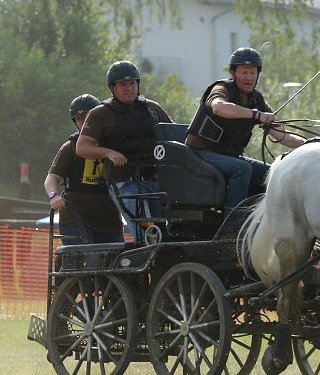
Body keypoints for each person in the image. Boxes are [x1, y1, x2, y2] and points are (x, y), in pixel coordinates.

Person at [185, 47, 305, 215]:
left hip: (230, 157)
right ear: (233, 74)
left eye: (253, 73)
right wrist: (257, 115)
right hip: (200, 152)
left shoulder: (257, 100)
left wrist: (310, 145)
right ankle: (232, 225)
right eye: (244, 72)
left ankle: (260, 219)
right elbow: (219, 107)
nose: (249, 78)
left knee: (271, 173)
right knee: (241, 168)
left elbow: (284, 137)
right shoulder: (222, 89)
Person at [76, 61, 173, 242]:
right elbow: (82, 147)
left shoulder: (153, 107)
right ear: (112, 88)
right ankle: (143, 269)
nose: (129, 88)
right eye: (123, 85)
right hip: (126, 184)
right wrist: (109, 153)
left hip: (157, 182)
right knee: (146, 235)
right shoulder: (100, 114)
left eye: (132, 83)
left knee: (167, 233)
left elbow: (173, 136)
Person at [44, 95, 125, 246]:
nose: (83, 122)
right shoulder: (70, 147)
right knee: (85, 261)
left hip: (109, 220)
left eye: (87, 116)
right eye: (78, 119)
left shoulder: (114, 143)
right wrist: (53, 196)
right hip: (75, 218)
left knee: (118, 265)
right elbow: (52, 177)